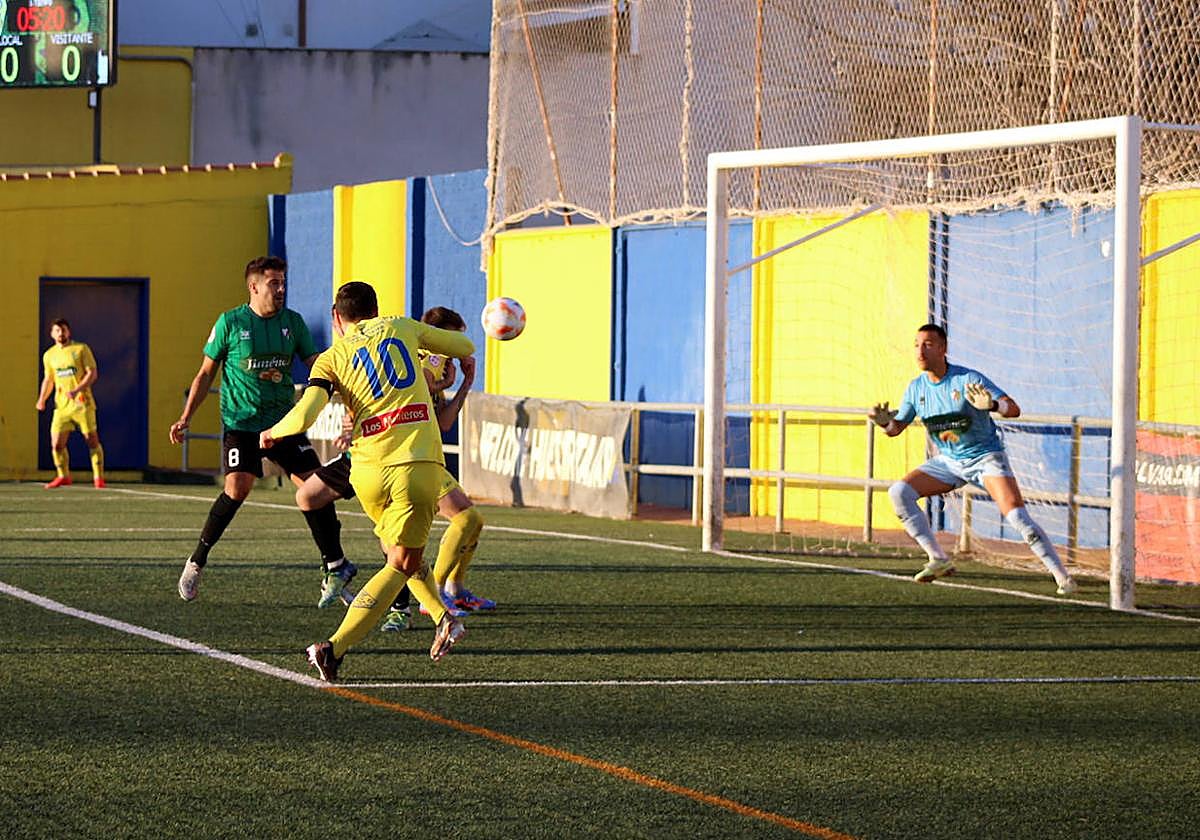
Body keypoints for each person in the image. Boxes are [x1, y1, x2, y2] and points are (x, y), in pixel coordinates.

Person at [261, 281, 475, 680]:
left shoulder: (331, 356)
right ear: (376, 310)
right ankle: (333, 649)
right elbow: (462, 347)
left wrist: (275, 431)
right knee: (401, 560)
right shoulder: (402, 327)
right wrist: (461, 361)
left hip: (367, 469)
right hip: (414, 463)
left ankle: (445, 618)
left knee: (398, 552)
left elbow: (307, 412)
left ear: (336, 318)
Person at [169, 256, 355, 604]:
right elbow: (206, 373)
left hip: (283, 423)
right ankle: (197, 560)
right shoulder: (230, 322)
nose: (281, 289)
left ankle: (335, 567)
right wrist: (186, 417)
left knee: (317, 488)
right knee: (237, 488)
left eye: (284, 282)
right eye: (274, 283)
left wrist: (348, 395)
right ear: (254, 287)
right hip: (242, 424)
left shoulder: (293, 323)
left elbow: (317, 365)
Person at [869, 323, 1077, 595]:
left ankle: (1063, 578)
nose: (920, 350)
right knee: (899, 492)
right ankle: (938, 559)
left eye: (928, 344)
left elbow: (1013, 409)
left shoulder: (967, 379)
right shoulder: (915, 388)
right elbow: (896, 429)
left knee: (1017, 517)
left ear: (943, 349)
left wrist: (992, 405)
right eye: (917, 344)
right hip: (949, 462)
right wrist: (885, 423)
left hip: (985, 459)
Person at [35, 318, 106, 489]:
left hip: (82, 404)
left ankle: (98, 478)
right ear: (52, 334)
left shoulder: (81, 349)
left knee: (91, 440)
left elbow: (92, 373)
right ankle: (63, 476)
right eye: (57, 331)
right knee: (56, 444)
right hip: (61, 406)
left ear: (69, 332)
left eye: (63, 330)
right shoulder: (49, 355)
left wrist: (77, 389)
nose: (61, 334)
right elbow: (49, 379)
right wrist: (42, 399)